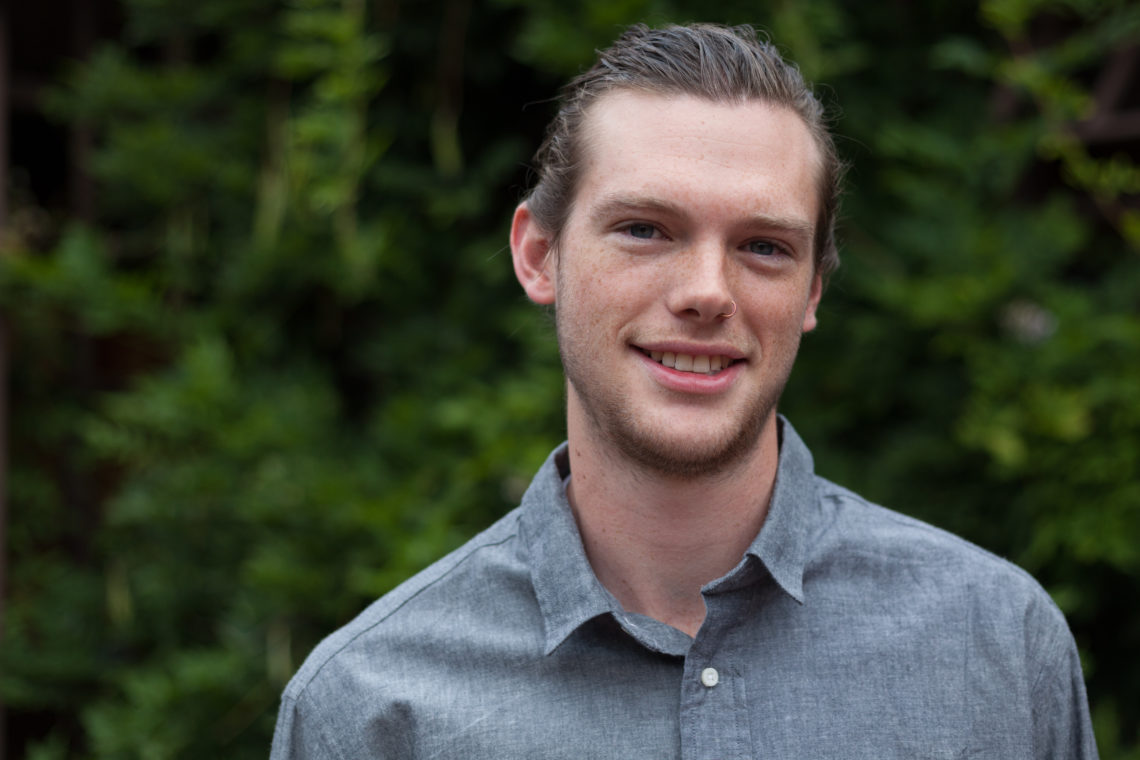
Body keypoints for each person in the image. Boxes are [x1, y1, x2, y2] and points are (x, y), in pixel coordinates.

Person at [270, 23, 1098, 759]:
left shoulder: (997, 648)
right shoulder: (372, 710)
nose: (707, 291)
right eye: (645, 230)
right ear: (538, 255)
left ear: (813, 291)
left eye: (764, 246)